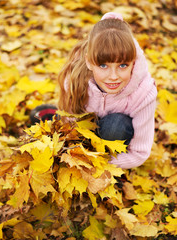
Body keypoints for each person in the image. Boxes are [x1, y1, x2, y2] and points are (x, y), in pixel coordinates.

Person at [30, 12, 157, 169]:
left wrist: (96, 163)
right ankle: (54, 114)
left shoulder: (144, 94)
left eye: (123, 65)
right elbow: (70, 124)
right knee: (39, 116)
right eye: (103, 66)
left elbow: (139, 153)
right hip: (83, 128)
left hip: (113, 142)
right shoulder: (75, 79)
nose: (113, 77)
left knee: (114, 126)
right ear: (89, 62)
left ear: (134, 63)